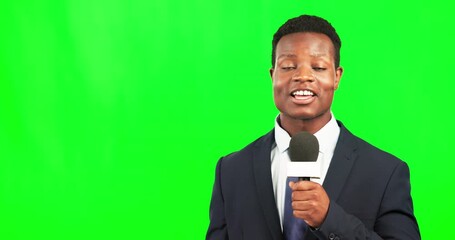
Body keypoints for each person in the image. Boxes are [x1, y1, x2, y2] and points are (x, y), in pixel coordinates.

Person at [206, 15, 420, 240]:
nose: (303, 76)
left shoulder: (385, 173)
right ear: (273, 76)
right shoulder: (230, 171)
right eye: (288, 66)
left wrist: (330, 218)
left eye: (318, 67)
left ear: (336, 77)